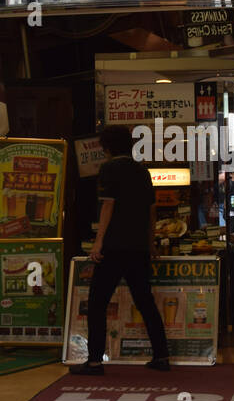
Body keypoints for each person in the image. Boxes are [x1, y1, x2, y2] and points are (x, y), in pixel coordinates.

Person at [70, 125, 170, 375]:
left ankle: (94, 362)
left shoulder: (109, 169)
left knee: (97, 303)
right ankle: (161, 356)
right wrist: (151, 243)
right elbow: (151, 210)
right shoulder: (142, 170)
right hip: (138, 247)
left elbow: (108, 207)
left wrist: (98, 242)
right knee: (145, 301)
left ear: (106, 147)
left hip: (114, 247)